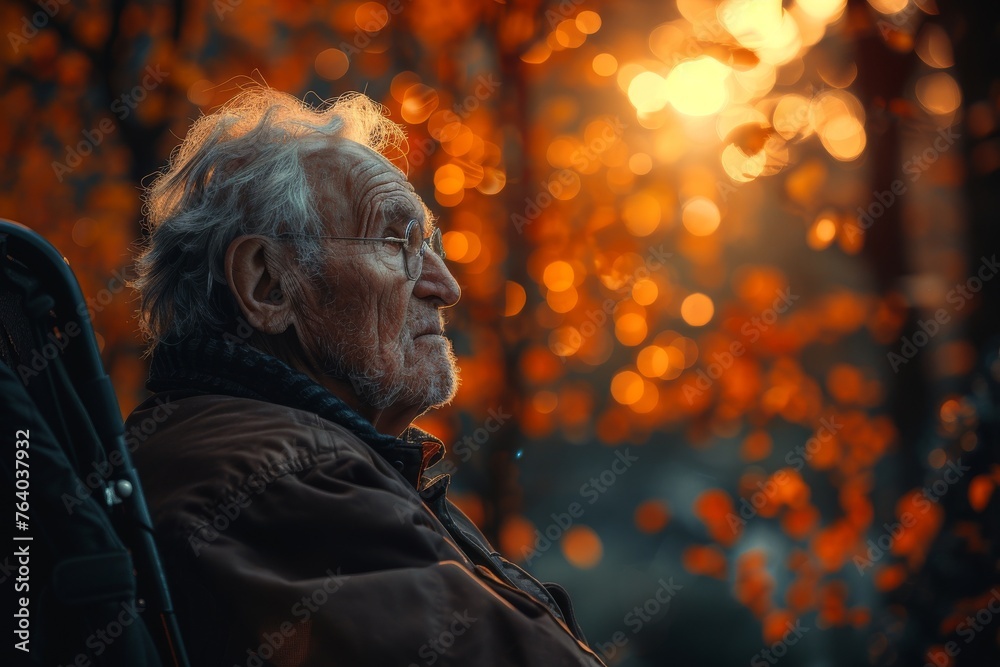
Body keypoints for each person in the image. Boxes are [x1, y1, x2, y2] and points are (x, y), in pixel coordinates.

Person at [125, 86, 605, 667]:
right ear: (267, 285)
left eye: (430, 243)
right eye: (396, 241)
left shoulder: (273, 452)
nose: (445, 286)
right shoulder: (283, 477)